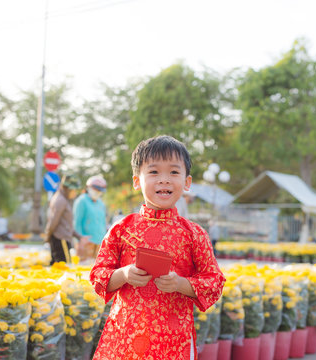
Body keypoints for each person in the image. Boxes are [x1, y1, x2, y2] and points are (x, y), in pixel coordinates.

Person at [90, 135, 226, 359]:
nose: (164, 180)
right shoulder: (121, 229)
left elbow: (213, 282)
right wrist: (123, 274)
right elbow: (98, 276)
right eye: (154, 172)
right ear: (137, 181)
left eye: (173, 172)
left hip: (173, 341)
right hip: (123, 337)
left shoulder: (194, 234)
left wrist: (180, 284)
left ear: (187, 182)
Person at [45, 174, 89, 265]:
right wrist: (48, 236)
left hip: (61, 238)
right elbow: (53, 221)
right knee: (65, 267)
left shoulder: (63, 199)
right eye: (74, 190)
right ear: (67, 189)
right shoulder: (60, 200)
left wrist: (79, 237)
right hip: (60, 239)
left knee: (58, 267)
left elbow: (66, 224)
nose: (75, 193)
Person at [73, 175, 108, 260]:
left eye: (100, 191)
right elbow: (77, 223)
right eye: (96, 189)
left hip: (100, 242)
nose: (98, 192)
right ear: (89, 188)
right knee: (84, 268)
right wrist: (79, 241)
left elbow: (103, 222)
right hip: (86, 242)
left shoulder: (100, 203)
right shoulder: (81, 201)